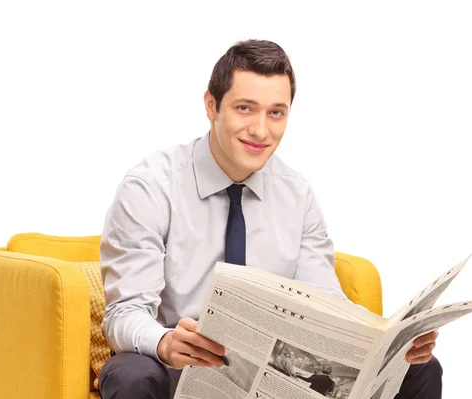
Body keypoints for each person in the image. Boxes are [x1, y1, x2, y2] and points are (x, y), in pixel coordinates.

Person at [98, 39, 442, 399]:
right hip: (182, 369)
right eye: (245, 108)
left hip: (274, 376)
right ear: (211, 106)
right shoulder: (151, 187)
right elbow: (125, 312)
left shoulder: (297, 194)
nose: (261, 130)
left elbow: (326, 304)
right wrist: (165, 341)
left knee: (420, 369)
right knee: (130, 373)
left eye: (276, 112)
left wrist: (389, 340)